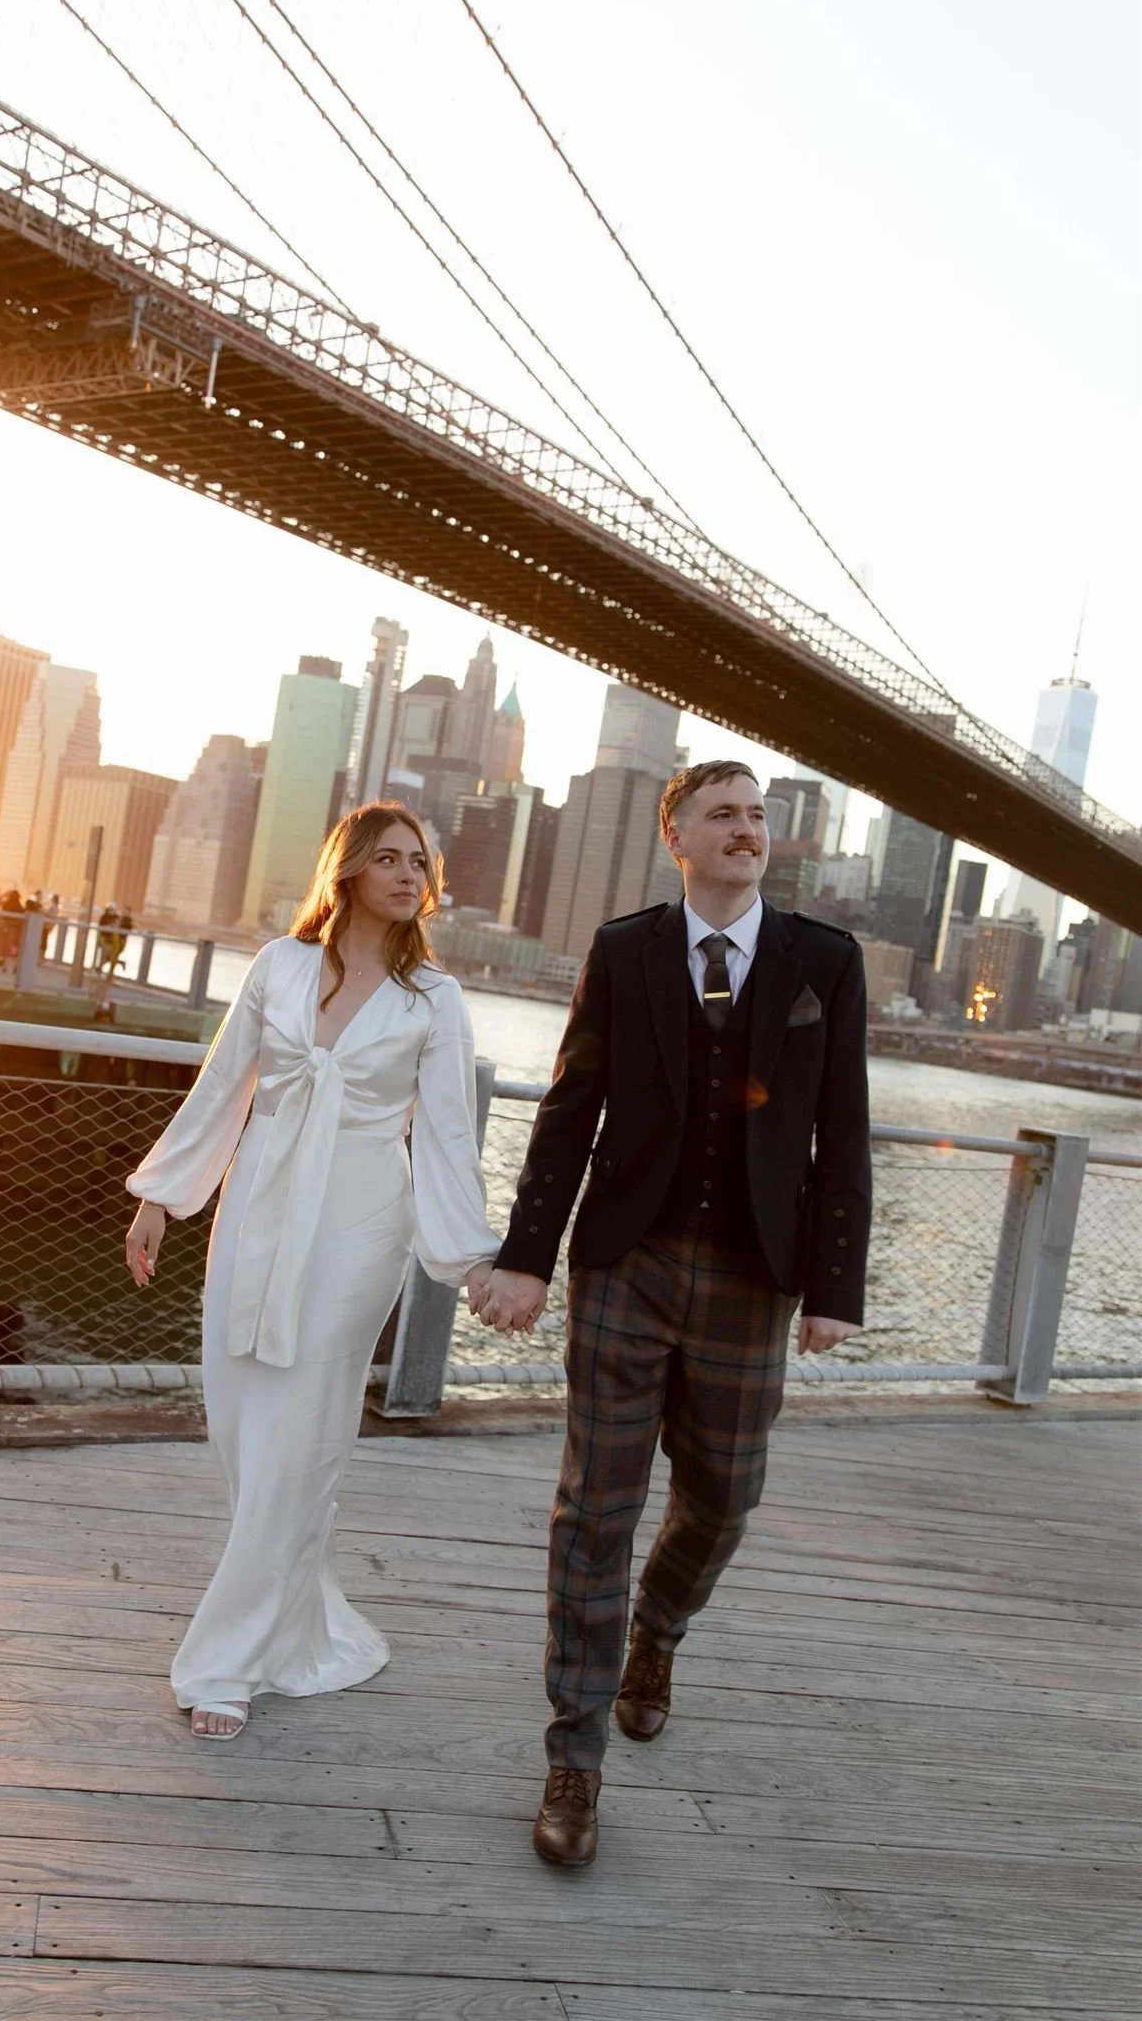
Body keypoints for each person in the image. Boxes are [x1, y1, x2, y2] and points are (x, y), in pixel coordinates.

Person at [476, 760, 871, 1867]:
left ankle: (657, 1626)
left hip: (755, 1273)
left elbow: (840, 1131)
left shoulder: (823, 964)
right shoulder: (622, 950)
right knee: (592, 1508)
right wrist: (526, 1258)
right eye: (722, 814)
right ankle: (574, 1754)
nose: (746, 830)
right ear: (676, 838)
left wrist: (834, 1287)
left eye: (756, 816)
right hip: (627, 1260)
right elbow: (568, 1108)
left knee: (724, 1497)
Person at [123, 803, 503, 1741]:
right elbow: (224, 1085)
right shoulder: (279, 966)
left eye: (421, 861)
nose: (410, 875)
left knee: (299, 1436)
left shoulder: (434, 1001)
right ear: (347, 871)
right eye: (388, 858)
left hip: (359, 1225)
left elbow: (450, 1136)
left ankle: (225, 1664)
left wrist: (472, 1258)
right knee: (246, 1428)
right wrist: (163, 1198)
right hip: (256, 1209)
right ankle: (294, 1621)